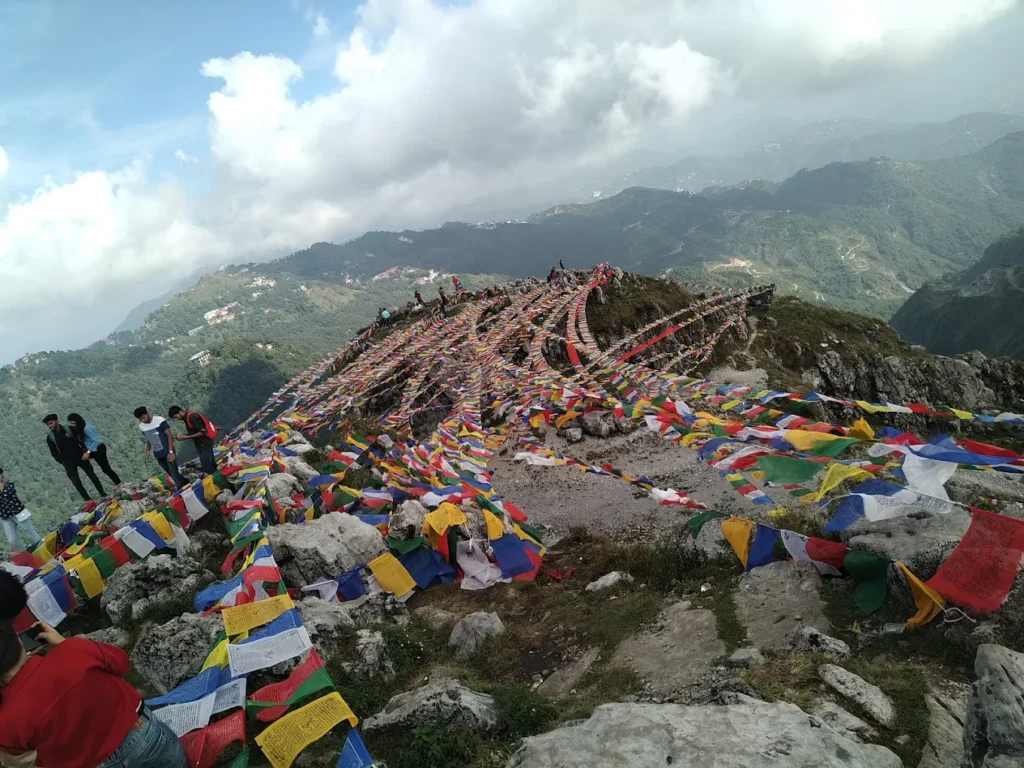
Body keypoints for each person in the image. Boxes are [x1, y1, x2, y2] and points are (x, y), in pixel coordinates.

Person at [0, 621, 188, 768]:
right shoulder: (72, 650)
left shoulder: (6, 719)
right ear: (18, 640)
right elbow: (121, 662)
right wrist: (64, 643)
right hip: (146, 738)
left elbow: (19, 754)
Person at [43, 415, 105, 501]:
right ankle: (87, 500)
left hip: (81, 456)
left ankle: (103, 493)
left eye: (51, 423)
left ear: (57, 421)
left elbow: (81, 440)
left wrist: (85, 452)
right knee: (76, 482)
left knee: (92, 476)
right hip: (68, 462)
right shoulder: (50, 438)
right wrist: (62, 461)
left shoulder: (69, 429)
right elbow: (54, 452)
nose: (50, 426)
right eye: (48, 424)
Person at [133, 407, 184, 489]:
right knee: (170, 473)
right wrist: (148, 450)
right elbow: (148, 439)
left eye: (143, 417)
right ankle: (186, 483)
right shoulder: (142, 426)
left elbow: (169, 435)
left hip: (167, 451)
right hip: (158, 453)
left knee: (174, 472)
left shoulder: (159, 420)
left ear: (147, 413)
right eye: (140, 419)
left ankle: (181, 489)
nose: (142, 420)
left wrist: (171, 452)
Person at [66, 413, 121, 486]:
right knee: (105, 468)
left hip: (99, 449)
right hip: (94, 450)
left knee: (106, 468)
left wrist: (88, 452)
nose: (72, 425)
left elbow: (96, 441)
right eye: (70, 423)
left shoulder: (87, 428)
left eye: (73, 423)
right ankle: (118, 483)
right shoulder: (82, 426)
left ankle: (119, 483)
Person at [0, 470, 42, 555]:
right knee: (12, 540)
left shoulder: (9, 484)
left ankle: (43, 551)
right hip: (5, 517)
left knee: (31, 533)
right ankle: (27, 556)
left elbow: (8, 496)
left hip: (19, 512)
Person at [168, 405, 217, 476]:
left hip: (205, 443)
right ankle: (218, 478)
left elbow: (203, 431)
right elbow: (194, 431)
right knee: (211, 464)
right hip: (201, 445)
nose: (177, 419)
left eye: (176, 417)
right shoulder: (186, 419)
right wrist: (184, 435)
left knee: (207, 466)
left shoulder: (192, 417)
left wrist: (186, 437)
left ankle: (217, 480)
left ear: (180, 412)